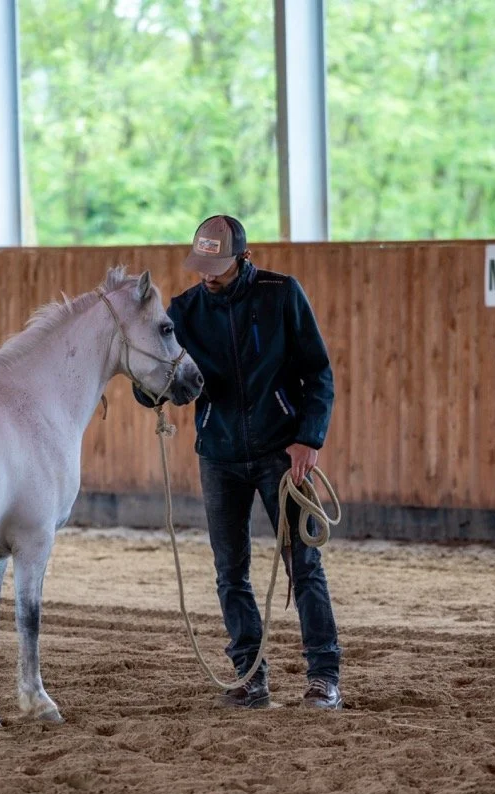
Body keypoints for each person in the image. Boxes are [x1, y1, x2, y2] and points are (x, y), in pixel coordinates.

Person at [135, 214, 342, 710]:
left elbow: (318, 373)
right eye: (202, 265)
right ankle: (249, 673)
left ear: (243, 258)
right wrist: (150, 388)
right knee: (230, 571)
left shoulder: (281, 294)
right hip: (219, 455)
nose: (208, 274)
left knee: (304, 565)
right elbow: (165, 381)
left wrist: (308, 438)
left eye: (219, 266)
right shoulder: (184, 311)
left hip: (280, 454)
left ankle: (324, 674)